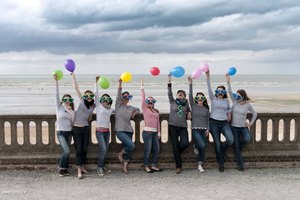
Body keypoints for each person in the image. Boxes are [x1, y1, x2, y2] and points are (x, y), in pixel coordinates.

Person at [226, 74, 257, 171]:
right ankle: (240, 165)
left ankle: (238, 145)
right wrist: (228, 81)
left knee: (247, 139)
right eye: (236, 95)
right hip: (234, 127)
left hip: (243, 127)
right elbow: (230, 92)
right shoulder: (234, 101)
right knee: (237, 147)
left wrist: (250, 123)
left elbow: (255, 114)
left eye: (239, 95)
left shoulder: (247, 105)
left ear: (243, 96)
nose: (236, 96)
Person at [205, 70, 234, 172]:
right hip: (213, 123)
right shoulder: (213, 99)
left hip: (224, 123)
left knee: (230, 139)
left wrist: (228, 81)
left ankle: (221, 150)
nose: (220, 93)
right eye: (218, 91)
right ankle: (221, 163)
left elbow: (229, 109)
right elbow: (208, 88)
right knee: (217, 143)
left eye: (222, 91)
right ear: (216, 92)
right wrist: (208, 76)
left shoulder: (226, 101)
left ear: (224, 93)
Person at [71, 73, 95, 179]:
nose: (88, 97)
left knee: (85, 149)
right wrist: (73, 76)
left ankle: (83, 167)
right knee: (79, 150)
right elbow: (76, 88)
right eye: (86, 96)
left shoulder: (93, 106)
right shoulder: (82, 101)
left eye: (90, 96)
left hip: (85, 128)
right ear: (84, 97)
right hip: (76, 128)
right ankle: (79, 171)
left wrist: (96, 83)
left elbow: (89, 117)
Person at [167, 75, 192, 174]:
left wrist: (189, 112)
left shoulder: (186, 104)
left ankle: (177, 153)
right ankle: (178, 166)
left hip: (182, 127)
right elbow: (169, 92)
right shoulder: (172, 102)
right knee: (174, 146)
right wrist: (169, 81)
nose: (179, 95)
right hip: (172, 126)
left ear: (184, 97)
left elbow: (189, 110)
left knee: (185, 143)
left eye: (181, 94)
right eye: (178, 94)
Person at [115, 79, 140, 174]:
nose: (126, 98)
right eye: (124, 96)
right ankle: (120, 153)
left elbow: (138, 109)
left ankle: (125, 167)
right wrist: (120, 84)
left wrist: (135, 113)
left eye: (128, 97)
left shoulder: (131, 108)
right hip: (120, 130)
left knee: (128, 148)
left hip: (129, 130)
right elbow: (118, 95)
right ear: (122, 98)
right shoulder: (118, 106)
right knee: (131, 145)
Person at [54, 74, 75, 177]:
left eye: (69, 100)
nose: (67, 101)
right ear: (63, 100)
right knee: (66, 151)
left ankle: (65, 169)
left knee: (67, 152)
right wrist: (56, 81)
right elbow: (56, 94)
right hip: (61, 132)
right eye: (65, 99)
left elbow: (73, 122)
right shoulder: (59, 108)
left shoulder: (72, 111)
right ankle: (61, 167)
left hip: (69, 132)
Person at [188, 76, 210, 173]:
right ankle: (195, 146)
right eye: (198, 97)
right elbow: (189, 95)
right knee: (201, 144)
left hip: (204, 129)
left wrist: (208, 129)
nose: (200, 99)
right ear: (196, 99)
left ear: (204, 99)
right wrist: (190, 83)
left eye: (202, 98)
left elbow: (208, 120)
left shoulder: (206, 109)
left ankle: (200, 164)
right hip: (195, 129)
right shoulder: (193, 106)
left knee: (203, 147)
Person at [140, 79, 162, 173]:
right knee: (148, 150)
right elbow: (143, 97)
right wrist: (142, 86)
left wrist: (159, 132)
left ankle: (153, 165)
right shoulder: (145, 109)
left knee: (157, 149)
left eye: (152, 101)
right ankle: (146, 166)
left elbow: (158, 122)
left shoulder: (155, 111)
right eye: (148, 101)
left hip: (154, 133)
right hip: (147, 133)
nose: (150, 102)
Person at [95, 76, 114, 176]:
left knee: (105, 149)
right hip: (99, 132)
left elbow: (119, 111)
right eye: (103, 98)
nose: (105, 100)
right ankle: (99, 168)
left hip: (107, 132)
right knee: (103, 149)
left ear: (109, 100)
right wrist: (96, 83)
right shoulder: (98, 106)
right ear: (101, 100)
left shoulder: (110, 109)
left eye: (107, 99)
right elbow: (96, 95)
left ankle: (102, 166)